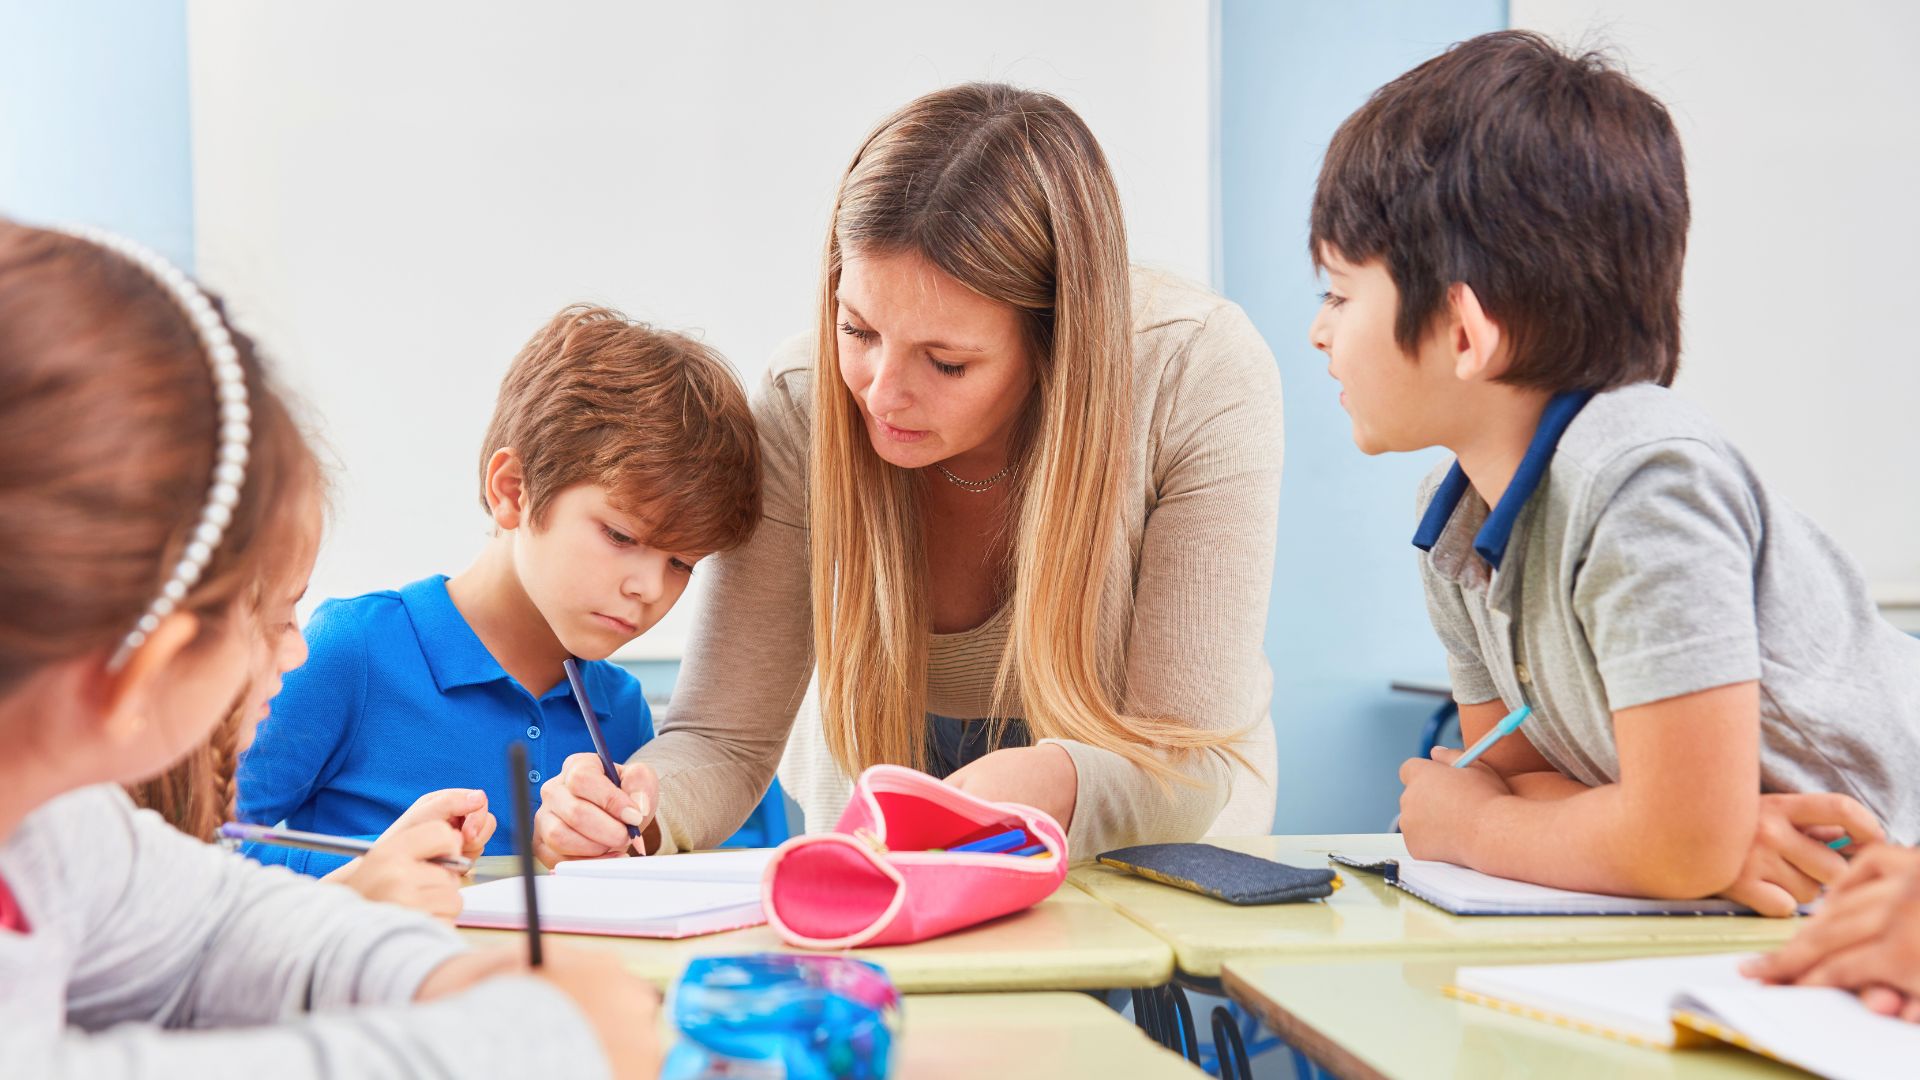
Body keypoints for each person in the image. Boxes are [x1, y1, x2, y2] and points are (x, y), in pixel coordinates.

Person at [535, 82, 1284, 865]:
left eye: (947, 362)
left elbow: (1184, 765)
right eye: (857, 329)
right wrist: (632, 811)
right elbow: (724, 738)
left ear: (1057, 345)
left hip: (1155, 810)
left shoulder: (1196, 372)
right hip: (879, 784)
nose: (882, 396)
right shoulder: (804, 398)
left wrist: (1047, 782)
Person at [0, 220, 659, 1078]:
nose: (296, 652)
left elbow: (211, 927)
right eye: (274, 616)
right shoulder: (361, 649)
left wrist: (451, 975)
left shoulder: (48, 826)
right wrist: (531, 1046)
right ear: (144, 673)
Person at [1305, 31, 1920, 914]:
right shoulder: (1452, 526)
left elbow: (1569, 822)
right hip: (1793, 913)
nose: (1320, 333)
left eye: (1338, 293)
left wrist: (1477, 830)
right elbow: (1523, 782)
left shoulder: (1643, 482)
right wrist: (1683, 844)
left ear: (1466, 333)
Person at [237, 304, 760, 875]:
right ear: (512, 491)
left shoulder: (620, 712)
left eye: (682, 563)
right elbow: (199, 845)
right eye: (620, 534)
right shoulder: (355, 651)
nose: (649, 589)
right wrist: (366, 871)